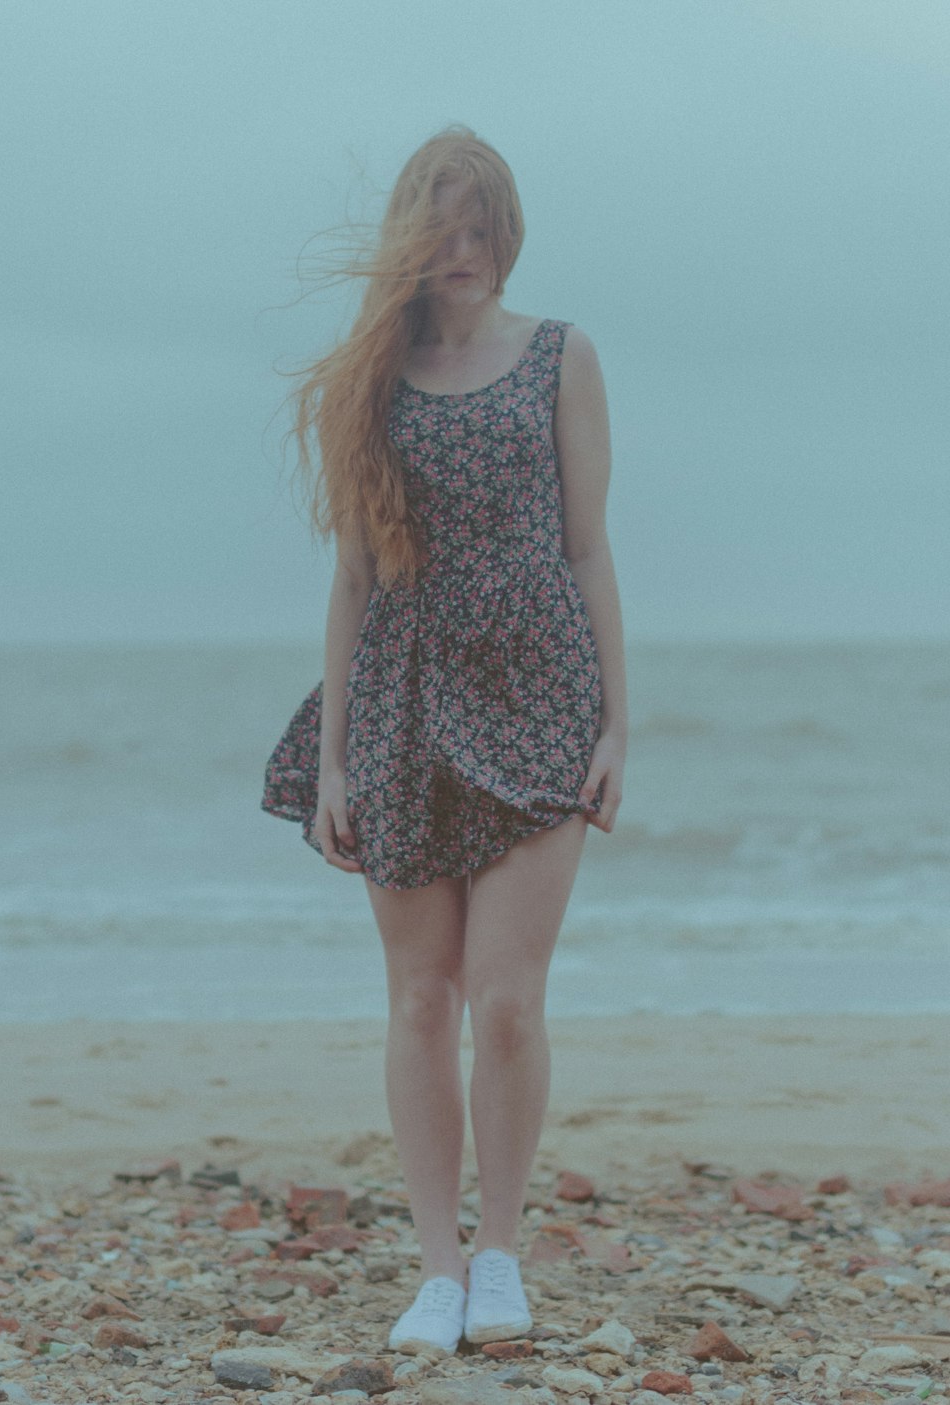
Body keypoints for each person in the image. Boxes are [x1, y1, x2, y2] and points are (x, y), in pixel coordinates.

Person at [262, 126, 627, 1356]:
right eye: (440, 230)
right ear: (411, 243)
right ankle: (434, 1267)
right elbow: (353, 583)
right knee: (421, 998)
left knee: (507, 1003)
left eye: (479, 229)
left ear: (504, 233)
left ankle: (501, 1256)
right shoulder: (370, 377)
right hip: (402, 701)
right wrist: (332, 757)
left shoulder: (562, 356)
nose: (461, 252)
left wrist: (618, 722)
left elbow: (586, 549)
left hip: (540, 691)